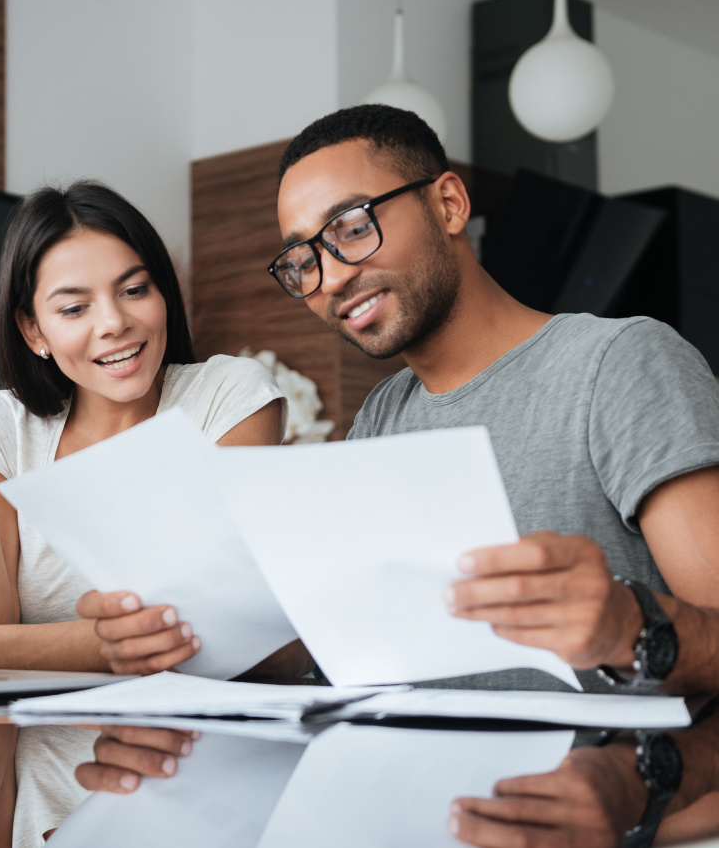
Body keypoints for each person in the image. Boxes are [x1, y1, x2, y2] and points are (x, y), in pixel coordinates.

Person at [78, 104, 719, 697]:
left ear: (448, 203)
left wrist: (627, 625)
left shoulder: (619, 363)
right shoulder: (383, 416)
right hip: (422, 800)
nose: (330, 279)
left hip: (612, 803)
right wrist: (176, 635)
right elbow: (340, 640)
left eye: (352, 228)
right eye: (302, 260)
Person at [0, 180, 294, 845]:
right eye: (74, 307)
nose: (114, 322)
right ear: (33, 331)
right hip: (45, 814)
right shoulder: (1, 423)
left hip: (200, 797)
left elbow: (196, 634)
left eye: (133, 289)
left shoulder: (228, 396)